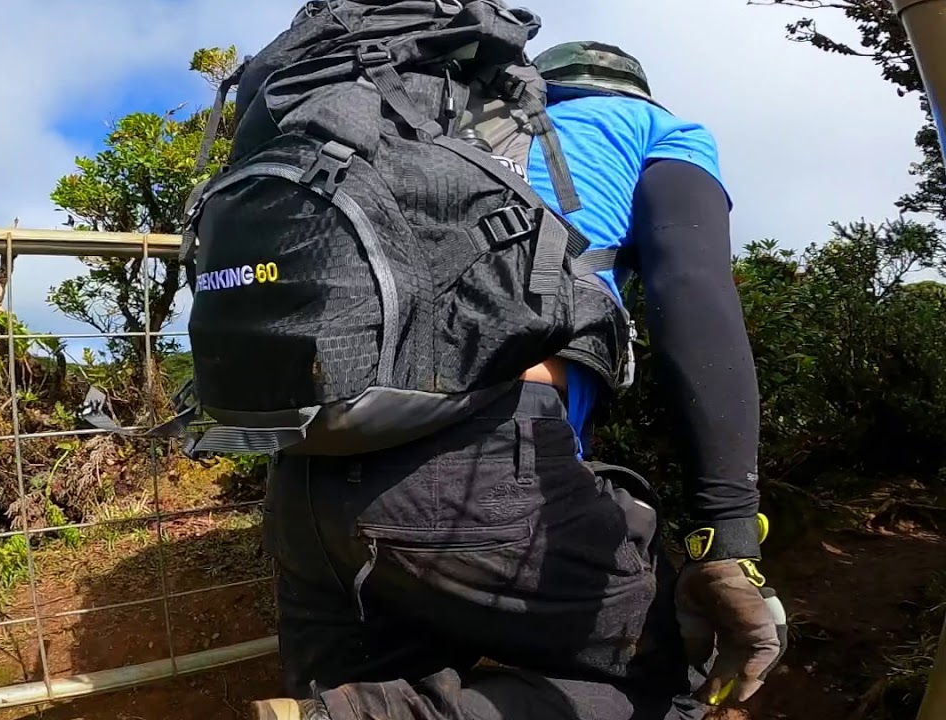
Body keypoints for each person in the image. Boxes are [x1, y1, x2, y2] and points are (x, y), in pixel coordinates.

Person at [248, 40, 784, 720]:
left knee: (352, 694)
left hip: (305, 472)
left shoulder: (420, 131)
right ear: (636, 93)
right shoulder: (654, 131)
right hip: (483, 464)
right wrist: (730, 535)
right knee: (669, 678)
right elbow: (694, 295)